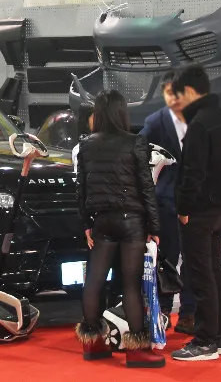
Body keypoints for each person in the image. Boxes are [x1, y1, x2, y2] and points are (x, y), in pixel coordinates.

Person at [74, 90, 165, 369]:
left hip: (101, 221)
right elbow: (146, 187)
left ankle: (93, 343)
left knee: (94, 280)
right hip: (131, 222)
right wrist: (154, 226)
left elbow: (82, 188)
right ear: (121, 112)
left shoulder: (86, 145)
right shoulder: (135, 142)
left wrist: (86, 224)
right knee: (130, 284)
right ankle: (137, 350)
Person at [170, 65, 221, 362]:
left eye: (179, 95)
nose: (177, 102)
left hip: (198, 213)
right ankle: (219, 336)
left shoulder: (200, 124)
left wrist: (183, 208)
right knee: (215, 272)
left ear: (191, 91)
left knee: (200, 274)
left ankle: (205, 341)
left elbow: (192, 173)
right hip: (218, 211)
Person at [139, 71, 196, 334]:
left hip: (197, 203)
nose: (174, 98)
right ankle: (162, 313)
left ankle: (189, 313)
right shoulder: (155, 122)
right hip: (166, 203)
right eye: (168, 93)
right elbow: (138, 155)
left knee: (194, 260)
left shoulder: (201, 120)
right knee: (167, 260)